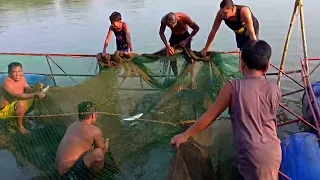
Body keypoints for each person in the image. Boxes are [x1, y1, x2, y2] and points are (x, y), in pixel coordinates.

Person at [171, 40, 282, 180]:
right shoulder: (275, 89)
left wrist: (185, 135)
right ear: (266, 68)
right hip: (274, 150)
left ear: (242, 64)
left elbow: (210, 116)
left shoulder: (233, 87)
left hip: (253, 154)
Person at [56, 101, 109, 179]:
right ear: (93, 115)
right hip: (70, 175)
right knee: (99, 153)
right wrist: (106, 143)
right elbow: (103, 149)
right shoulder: (95, 130)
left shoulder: (72, 125)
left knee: (90, 149)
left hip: (59, 170)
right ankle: (95, 177)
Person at [0, 62, 45, 134]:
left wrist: (36, 87)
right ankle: (20, 127)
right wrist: (35, 94)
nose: (17, 74)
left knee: (35, 98)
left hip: (14, 106)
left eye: (19, 71)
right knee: (21, 103)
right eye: (14, 72)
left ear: (22, 72)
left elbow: (28, 89)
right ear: (9, 73)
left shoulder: (22, 79)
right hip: (3, 111)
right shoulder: (7, 82)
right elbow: (18, 95)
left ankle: (23, 117)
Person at [159, 12, 199, 77]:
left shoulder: (184, 18)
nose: (172, 27)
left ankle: (192, 79)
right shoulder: (164, 20)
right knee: (172, 57)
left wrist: (186, 40)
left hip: (185, 36)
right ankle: (176, 77)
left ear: (176, 20)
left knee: (190, 59)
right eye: (169, 26)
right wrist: (167, 46)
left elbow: (196, 28)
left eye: (172, 25)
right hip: (174, 36)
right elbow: (161, 33)